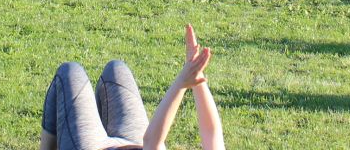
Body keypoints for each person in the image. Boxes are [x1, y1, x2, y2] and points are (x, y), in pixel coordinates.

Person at [39, 25, 225, 150]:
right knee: (116, 69)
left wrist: (181, 84)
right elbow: (211, 132)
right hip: (130, 144)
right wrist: (196, 75)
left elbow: (152, 142)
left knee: (70, 73)